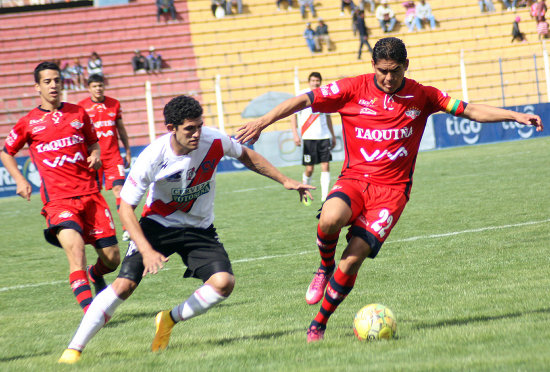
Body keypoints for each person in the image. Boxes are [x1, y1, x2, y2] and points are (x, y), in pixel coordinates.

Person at [235, 37, 543, 343]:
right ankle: (323, 266)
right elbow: (304, 99)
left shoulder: (424, 95)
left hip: (392, 192)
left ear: (406, 66)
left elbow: (470, 110)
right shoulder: (352, 88)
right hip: (355, 179)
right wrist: (263, 121)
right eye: (382, 70)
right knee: (329, 219)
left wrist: (515, 116)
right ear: (373, 66)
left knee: (354, 259)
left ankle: (319, 322)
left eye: (394, 70)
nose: (388, 77)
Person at [57, 95, 314, 364]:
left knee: (224, 283)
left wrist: (285, 180)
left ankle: (169, 319)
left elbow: (246, 155)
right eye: (189, 128)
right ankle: (74, 348)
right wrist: (146, 251)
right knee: (124, 285)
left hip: (199, 228)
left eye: (199, 126)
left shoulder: (213, 140)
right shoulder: (153, 157)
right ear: (171, 128)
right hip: (158, 225)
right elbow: (125, 208)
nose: (197, 133)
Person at [1, 62, 121, 314]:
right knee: (76, 250)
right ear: (37, 87)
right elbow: (6, 152)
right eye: (47, 81)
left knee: (112, 259)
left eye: (57, 80)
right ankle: (93, 314)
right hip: (58, 202)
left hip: (91, 195)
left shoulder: (79, 113)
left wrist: (96, 154)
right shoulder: (29, 123)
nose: (53, 85)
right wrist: (20, 181)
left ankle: (94, 274)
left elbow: (93, 142)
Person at [78, 74, 132, 242]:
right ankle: (94, 229)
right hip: (94, 157)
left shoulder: (114, 104)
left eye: (100, 85)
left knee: (120, 191)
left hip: (113, 156)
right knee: (93, 194)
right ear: (89, 88)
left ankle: (127, 228)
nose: (98, 89)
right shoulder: (82, 107)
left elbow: (121, 129)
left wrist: (128, 150)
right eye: (94, 86)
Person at [290, 72, 336, 203]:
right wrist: (295, 134)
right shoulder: (302, 95)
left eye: (317, 81)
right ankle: (305, 189)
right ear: (309, 81)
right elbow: (293, 115)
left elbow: (328, 117)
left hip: (324, 136)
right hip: (309, 137)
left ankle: (325, 197)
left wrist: (332, 135)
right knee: (309, 169)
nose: (315, 83)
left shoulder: (325, 96)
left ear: (320, 82)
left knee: (326, 166)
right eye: (313, 80)